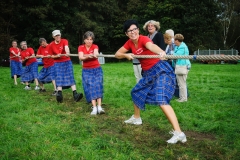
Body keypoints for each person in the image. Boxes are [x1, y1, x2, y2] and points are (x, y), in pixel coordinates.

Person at [115, 19, 187, 144]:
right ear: (126, 34)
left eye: (134, 29)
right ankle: (137, 118)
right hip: (148, 74)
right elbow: (117, 54)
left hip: (160, 70)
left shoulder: (143, 39)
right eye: (129, 31)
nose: (133, 32)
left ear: (138, 29)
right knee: (136, 91)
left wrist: (160, 52)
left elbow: (151, 46)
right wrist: (126, 55)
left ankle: (179, 133)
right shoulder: (129, 43)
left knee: (161, 99)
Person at [49, 30, 83, 103]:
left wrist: (67, 53)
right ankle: (59, 95)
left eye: (58, 35)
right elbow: (51, 56)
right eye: (56, 36)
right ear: (53, 37)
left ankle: (75, 94)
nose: (57, 37)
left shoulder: (64, 41)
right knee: (59, 77)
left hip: (67, 61)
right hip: (57, 63)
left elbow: (66, 47)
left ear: (60, 35)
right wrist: (56, 56)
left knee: (70, 76)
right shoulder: (51, 45)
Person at [78, 31, 105, 115]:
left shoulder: (95, 46)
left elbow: (96, 54)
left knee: (98, 86)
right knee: (91, 87)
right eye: (87, 39)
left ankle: (99, 107)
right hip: (86, 70)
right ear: (84, 40)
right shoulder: (81, 47)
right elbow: (81, 57)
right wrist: (88, 56)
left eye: (91, 39)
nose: (89, 41)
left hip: (97, 69)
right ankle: (94, 107)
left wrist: (90, 55)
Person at [173, 34, 191, 102]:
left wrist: (170, 54)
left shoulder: (182, 47)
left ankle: (184, 98)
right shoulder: (179, 46)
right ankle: (181, 97)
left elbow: (176, 55)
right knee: (180, 83)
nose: (174, 41)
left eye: (174, 40)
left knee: (182, 83)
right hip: (180, 66)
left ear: (177, 40)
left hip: (183, 66)